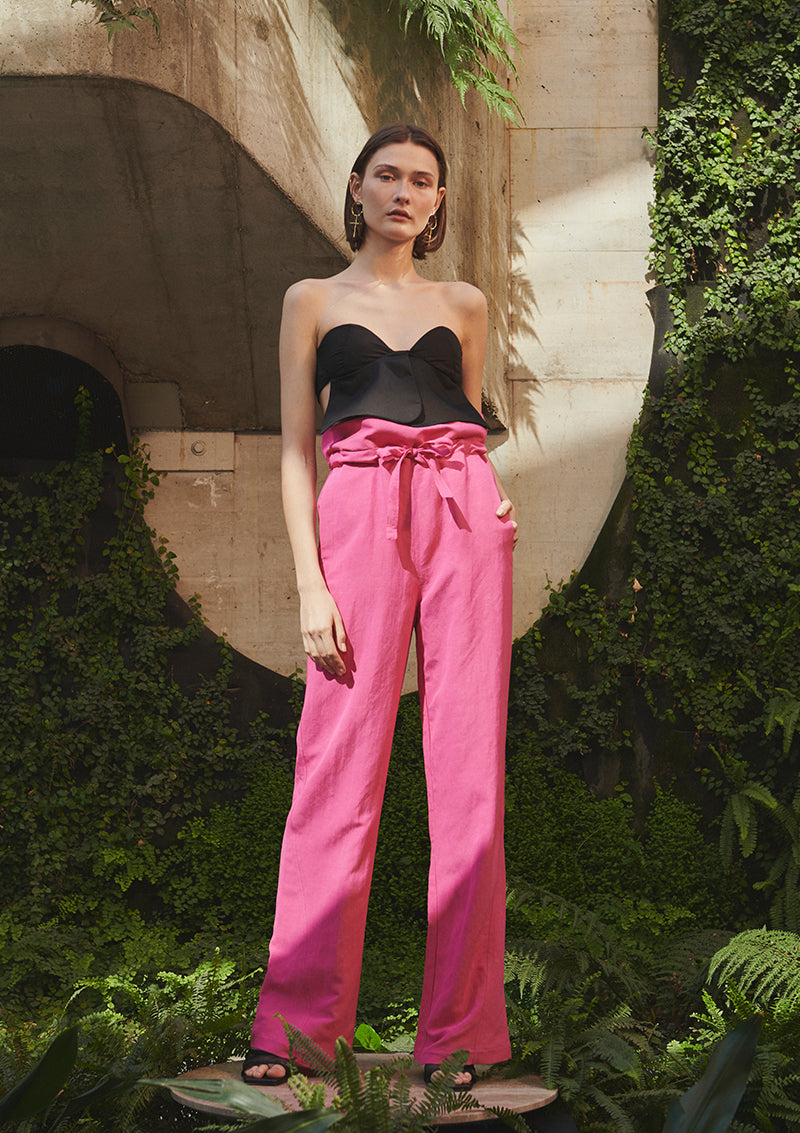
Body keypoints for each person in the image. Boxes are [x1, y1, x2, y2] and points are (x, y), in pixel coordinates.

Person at [243, 122, 518, 1092]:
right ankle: (294, 1031)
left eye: (422, 181)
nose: (404, 192)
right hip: (356, 508)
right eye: (388, 175)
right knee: (333, 767)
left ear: (437, 202)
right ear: (357, 187)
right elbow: (292, 449)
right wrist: (309, 582)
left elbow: (468, 416)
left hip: (462, 513)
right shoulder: (312, 299)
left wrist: (489, 499)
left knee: (468, 775)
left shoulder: (464, 303)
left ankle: (460, 1037)